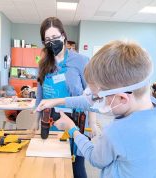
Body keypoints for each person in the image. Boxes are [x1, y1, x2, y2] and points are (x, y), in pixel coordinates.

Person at [36, 40, 156, 178]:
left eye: (98, 97)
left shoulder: (117, 132)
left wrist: (72, 130)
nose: (95, 101)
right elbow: (90, 103)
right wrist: (59, 101)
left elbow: (95, 158)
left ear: (122, 98)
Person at [32, 17, 94, 178]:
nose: (52, 42)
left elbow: (91, 94)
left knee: (76, 167)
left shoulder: (81, 61)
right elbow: (40, 96)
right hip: (50, 121)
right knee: (53, 165)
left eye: (55, 38)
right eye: (47, 40)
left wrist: (93, 124)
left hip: (76, 121)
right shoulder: (43, 63)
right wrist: (35, 123)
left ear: (64, 36)